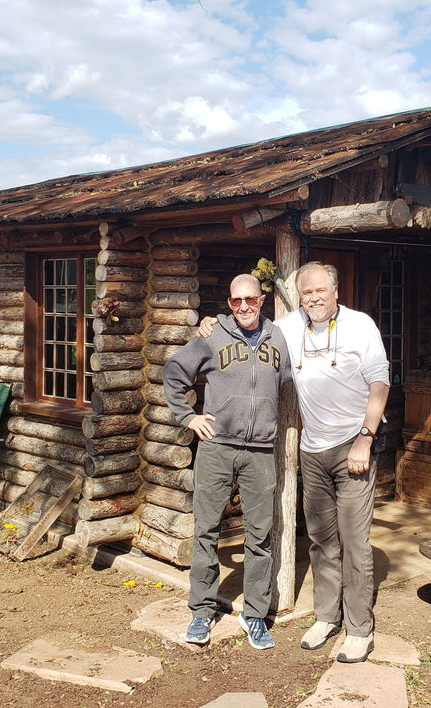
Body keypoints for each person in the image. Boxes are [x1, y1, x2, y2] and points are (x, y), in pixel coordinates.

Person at [198, 261, 389, 663]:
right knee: (321, 540)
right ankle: (326, 616)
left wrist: (365, 439)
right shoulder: (288, 327)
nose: (314, 298)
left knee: (354, 542)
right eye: (306, 292)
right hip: (313, 449)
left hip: (354, 445)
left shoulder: (361, 326)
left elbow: (379, 383)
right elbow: (245, 324)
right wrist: (209, 323)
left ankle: (358, 629)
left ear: (336, 292)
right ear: (298, 296)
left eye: (321, 290)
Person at [164, 273, 293, 650]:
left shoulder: (277, 338)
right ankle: (202, 611)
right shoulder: (211, 336)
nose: (244, 307)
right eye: (236, 301)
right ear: (229, 303)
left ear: (262, 300)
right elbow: (174, 372)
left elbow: (285, 381)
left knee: (259, 535)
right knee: (206, 530)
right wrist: (187, 417)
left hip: (259, 452)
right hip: (217, 447)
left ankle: (254, 615)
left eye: (250, 299)